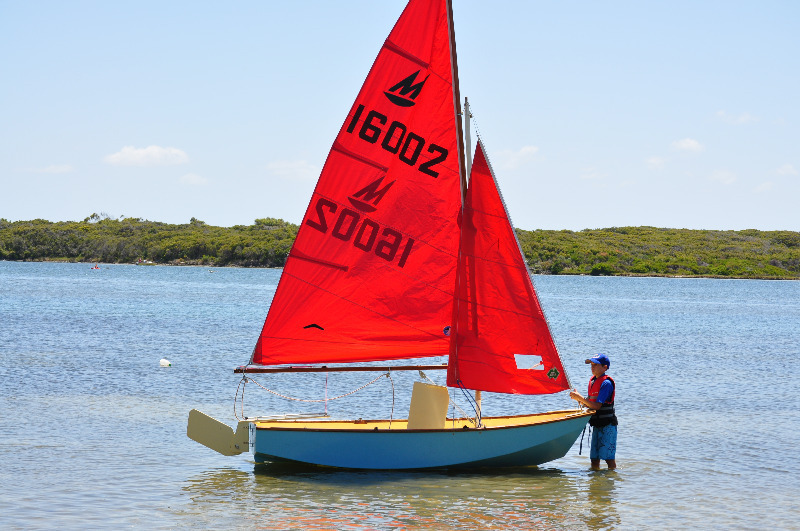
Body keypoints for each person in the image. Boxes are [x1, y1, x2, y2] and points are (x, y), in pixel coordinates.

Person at [569, 353, 617, 470]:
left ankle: (612, 477)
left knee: (609, 459)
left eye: (595, 365)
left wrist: (580, 398)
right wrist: (580, 400)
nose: (592, 367)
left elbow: (597, 406)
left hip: (608, 426)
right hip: (597, 425)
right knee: (594, 459)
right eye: (591, 364)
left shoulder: (606, 383)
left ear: (605, 367)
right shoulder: (593, 381)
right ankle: (595, 479)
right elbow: (590, 403)